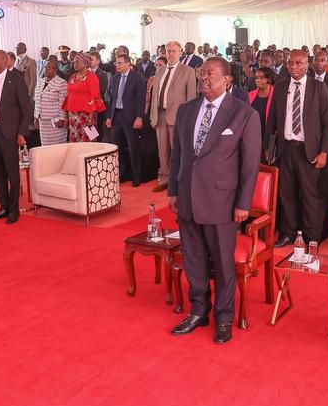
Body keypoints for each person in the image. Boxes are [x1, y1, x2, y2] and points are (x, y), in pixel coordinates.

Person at [168, 57, 260, 344]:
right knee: (193, 259)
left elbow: (249, 165)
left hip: (223, 201)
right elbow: (178, 156)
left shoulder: (243, 114)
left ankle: (223, 317)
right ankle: (198, 309)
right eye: (201, 72)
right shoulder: (186, 110)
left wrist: (243, 203)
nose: (204, 77)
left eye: (210, 73)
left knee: (222, 263)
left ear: (227, 80)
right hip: (187, 197)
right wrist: (173, 190)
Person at [264, 50, 328, 245]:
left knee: (310, 196)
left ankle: (311, 237)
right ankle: (288, 233)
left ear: (307, 64)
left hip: (308, 151)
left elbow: (327, 124)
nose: (294, 67)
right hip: (285, 149)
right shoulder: (280, 86)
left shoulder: (318, 88)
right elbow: (272, 120)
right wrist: (268, 147)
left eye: (298, 63)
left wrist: (324, 152)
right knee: (286, 194)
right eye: (290, 63)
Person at [0, 50, 32, 224]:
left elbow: (26, 108)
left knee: (12, 171)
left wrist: (21, 132)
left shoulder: (16, 79)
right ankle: (3, 207)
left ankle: (14, 208)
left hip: (9, 131)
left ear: (4, 60)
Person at [151, 41, 197, 192]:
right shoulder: (160, 70)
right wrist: (153, 115)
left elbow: (191, 98)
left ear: (180, 52)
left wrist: (189, 120)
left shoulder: (188, 71)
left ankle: (178, 181)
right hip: (160, 114)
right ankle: (165, 179)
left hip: (178, 117)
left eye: (173, 51)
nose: (170, 54)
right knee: (162, 150)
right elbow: (155, 95)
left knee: (177, 149)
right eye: (168, 51)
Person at [106, 53, 146, 186]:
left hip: (131, 116)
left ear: (128, 63)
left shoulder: (137, 77)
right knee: (118, 148)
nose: (117, 65)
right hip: (116, 115)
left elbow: (141, 99)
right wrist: (109, 116)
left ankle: (137, 176)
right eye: (116, 63)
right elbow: (111, 99)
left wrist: (139, 117)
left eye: (120, 63)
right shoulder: (115, 78)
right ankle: (121, 175)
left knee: (133, 147)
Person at [62, 53, 104, 143]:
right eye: (74, 62)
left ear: (85, 63)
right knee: (74, 140)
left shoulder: (92, 76)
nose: (74, 64)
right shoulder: (73, 76)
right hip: (73, 116)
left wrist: (91, 116)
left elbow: (95, 96)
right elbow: (68, 95)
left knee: (88, 140)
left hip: (86, 115)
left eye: (77, 62)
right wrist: (66, 115)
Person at [34, 58, 68, 145]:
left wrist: (62, 119)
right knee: (45, 146)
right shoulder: (40, 81)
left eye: (49, 67)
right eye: (45, 67)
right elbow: (37, 100)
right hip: (42, 120)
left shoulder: (61, 83)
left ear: (55, 70)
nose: (46, 69)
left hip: (55, 121)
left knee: (56, 147)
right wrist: (36, 117)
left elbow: (63, 102)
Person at [248, 66, 275, 141]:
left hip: (269, 136)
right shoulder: (250, 95)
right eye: (256, 78)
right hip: (252, 135)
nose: (258, 80)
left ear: (269, 79)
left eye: (261, 78)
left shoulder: (277, 95)